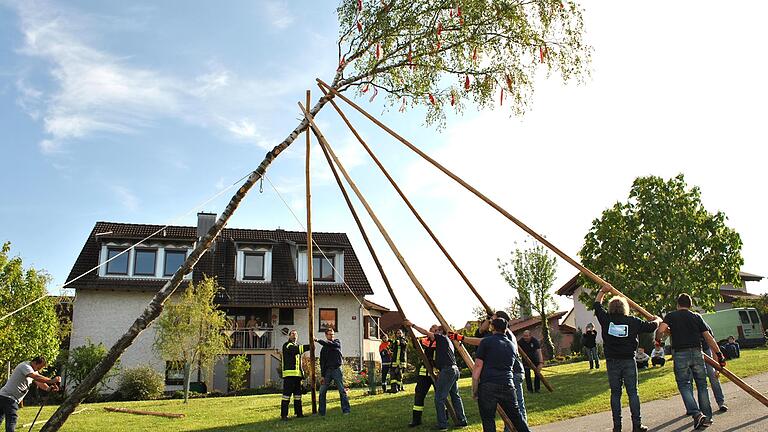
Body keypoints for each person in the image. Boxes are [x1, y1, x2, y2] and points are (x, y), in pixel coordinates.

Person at [594, 284, 661, 432]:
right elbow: (651, 327)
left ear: (611, 308)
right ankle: (637, 425)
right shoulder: (633, 321)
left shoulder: (606, 320)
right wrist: (657, 320)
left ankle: (617, 427)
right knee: (633, 392)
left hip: (612, 361)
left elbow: (597, 305)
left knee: (615, 393)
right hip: (628, 360)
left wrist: (602, 291)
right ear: (625, 308)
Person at [657, 293, 726, 430]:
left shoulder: (671, 316)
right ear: (690, 305)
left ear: (678, 304)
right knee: (702, 385)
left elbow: (661, 330)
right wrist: (719, 355)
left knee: (683, 384)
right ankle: (707, 416)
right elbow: (708, 337)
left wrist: (658, 340)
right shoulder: (696, 317)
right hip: (696, 352)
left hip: (680, 353)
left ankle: (696, 414)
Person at [404, 320, 468, 432]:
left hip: (447, 370)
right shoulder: (448, 341)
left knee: (439, 398)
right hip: (453, 369)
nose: (434, 332)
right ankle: (462, 421)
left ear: (440, 332)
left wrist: (412, 325)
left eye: (437, 330)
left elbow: (425, 332)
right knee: (455, 396)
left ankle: (443, 424)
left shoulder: (441, 338)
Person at [467, 310, 528, 423]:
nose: (489, 322)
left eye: (492, 320)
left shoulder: (500, 337)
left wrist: (462, 338)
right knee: (514, 411)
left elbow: (480, 343)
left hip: (510, 374)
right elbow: (481, 331)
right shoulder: (505, 336)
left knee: (515, 410)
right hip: (509, 375)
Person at [0, 356, 60, 432]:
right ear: (35, 363)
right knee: (12, 419)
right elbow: (36, 377)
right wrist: (51, 380)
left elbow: (39, 382)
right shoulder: (25, 366)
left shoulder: (33, 370)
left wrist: (48, 389)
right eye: (39, 367)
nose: (39, 370)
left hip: (4, 396)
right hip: (9, 397)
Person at [316, 328, 351, 416]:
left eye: (333, 334)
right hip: (327, 372)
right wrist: (323, 376)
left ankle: (346, 410)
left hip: (337, 370)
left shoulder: (337, 343)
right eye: (330, 334)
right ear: (326, 335)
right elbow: (322, 363)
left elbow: (330, 344)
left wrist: (317, 340)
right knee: (322, 391)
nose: (332, 336)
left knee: (342, 391)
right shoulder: (323, 349)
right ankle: (321, 412)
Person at [280, 330, 310, 421]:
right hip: (289, 376)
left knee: (298, 396)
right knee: (286, 396)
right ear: (289, 336)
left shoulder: (296, 346)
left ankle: (299, 413)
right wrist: (310, 346)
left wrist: (302, 375)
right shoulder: (287, 345)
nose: (294, 335)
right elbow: (297, 350)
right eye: (292, 334)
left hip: (297, 376)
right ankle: (284, 415)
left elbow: (299, 363)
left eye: (296, 334)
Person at [409, 333, 437, 427]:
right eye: (432, 330)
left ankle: (444, 418)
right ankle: (416, 420)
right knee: (419, 396)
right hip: (423, 374)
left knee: (441, 397)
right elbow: (415, 344)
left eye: (436, 330)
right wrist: (412, 336)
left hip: (436, 374)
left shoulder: (441, 341)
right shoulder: (425, 340)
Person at [701, 322, 727, 413]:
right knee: (700, 380)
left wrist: (716, 367)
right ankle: (702, 408)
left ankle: (721, 402)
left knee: (713, 376)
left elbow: (713, 346)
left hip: (706, 350)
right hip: (693, 352)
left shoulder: (705, 327)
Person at [389, 328, 407, 393]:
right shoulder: (395, 341)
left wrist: (391, 340)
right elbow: (392, 348)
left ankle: (399, 388)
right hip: (394, 361)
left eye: (400, 333)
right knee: (393, 375)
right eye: (397, 333)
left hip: (401, 361)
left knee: (399, 375)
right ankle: (394, 388)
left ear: (402, 334)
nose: (399, 334)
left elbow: (401, 343)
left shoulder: (404, 340)